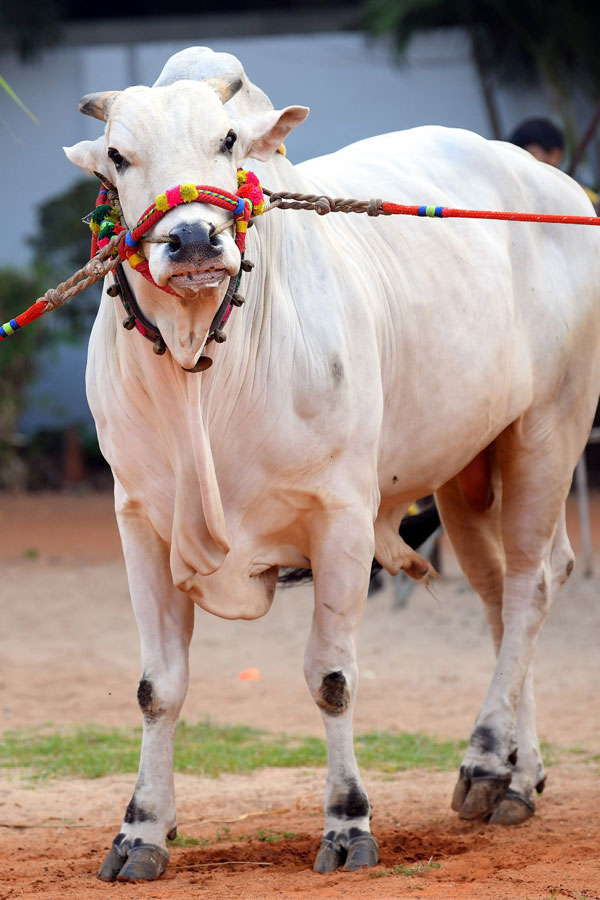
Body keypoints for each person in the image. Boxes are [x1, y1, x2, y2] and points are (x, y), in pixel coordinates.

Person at [508, 117, 599, 210]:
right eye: (516, 157)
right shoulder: (515, 201)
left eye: (528, 154)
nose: (521, 163)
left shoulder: (584, 199)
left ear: (554, 156)